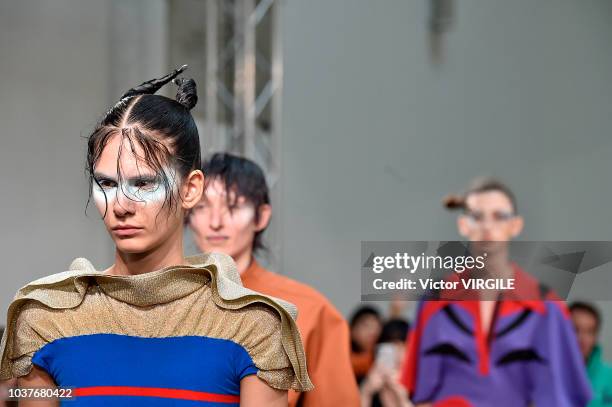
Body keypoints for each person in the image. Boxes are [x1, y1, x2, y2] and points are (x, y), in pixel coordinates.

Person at [0, 67, 312, 406]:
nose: (120, 205)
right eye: (106, 183)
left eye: (144, 183)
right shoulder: (44, 318)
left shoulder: (253, 325)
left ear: (191, 189)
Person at [399, 177, 592, 407]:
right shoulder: (435, 300)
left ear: (516, 225)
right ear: (463, 224)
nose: (488, 226)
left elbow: (559, 397)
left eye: (499, 216)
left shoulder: (546, 306)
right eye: (477, 216)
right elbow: (421, 393)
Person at [187, 153, 360, 407]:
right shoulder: (166, 296)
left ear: (261, 216)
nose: (215, 222)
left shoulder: (308, 309)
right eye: (201, 207)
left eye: (233, 207)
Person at [360, 319, 412, 407]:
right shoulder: (366, 381)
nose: (396, 351)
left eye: (401, 345)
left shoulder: (419, 386)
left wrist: (402, 399)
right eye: (390, 346)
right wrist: (366, 393)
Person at [570, 302, 612, 406]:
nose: (582, 338)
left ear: (595, 336)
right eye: (575, 329)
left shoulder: (609, 377)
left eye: (589, 331)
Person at [350, 306, 384, 384]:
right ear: (353, 330)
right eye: (367, 326)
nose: (372, 332)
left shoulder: (381, 359)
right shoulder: (340, 359)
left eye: (376, 327)